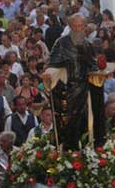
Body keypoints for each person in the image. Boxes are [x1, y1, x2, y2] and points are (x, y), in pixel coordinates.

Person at [43, 13, 105, 149]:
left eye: (80, 26)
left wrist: (101, 70)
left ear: (84, 27)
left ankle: (84, 148)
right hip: (65, 89)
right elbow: (53, 64)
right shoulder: (61, 43)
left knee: (83, 121)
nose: (78, 29)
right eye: (75, 26)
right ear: (70, 26)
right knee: (67, 123)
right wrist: (49, 74)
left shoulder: (88, 45)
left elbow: (93, 66)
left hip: (84, 89)